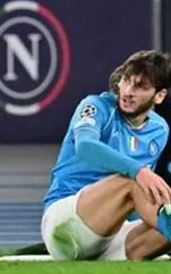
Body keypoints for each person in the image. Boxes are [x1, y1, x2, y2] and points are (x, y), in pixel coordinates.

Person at [41, 50, 171, 261]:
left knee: (146, 189)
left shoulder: (159, 130)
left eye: (141, 86)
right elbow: (86, 146)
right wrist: (138, 170)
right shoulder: (96, 106)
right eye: (126, 80)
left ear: (159, 96)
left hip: (112, 235)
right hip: (66, 220)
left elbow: (143, 197)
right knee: (132, 181)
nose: (128, 91)